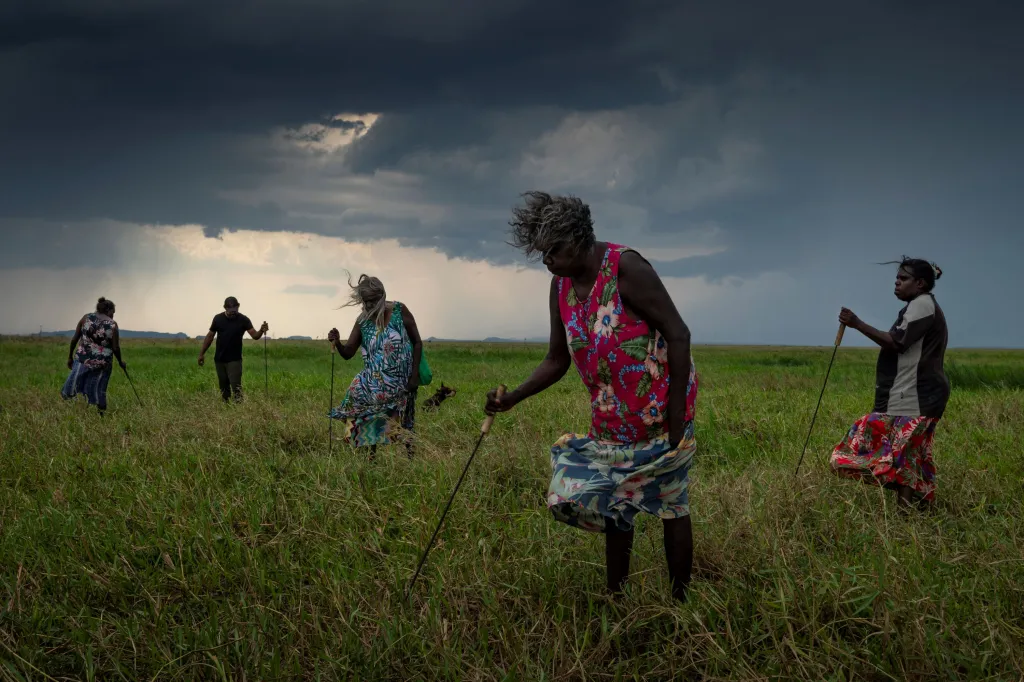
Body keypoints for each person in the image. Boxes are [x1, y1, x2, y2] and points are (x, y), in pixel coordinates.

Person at [484, 191, 699, 603]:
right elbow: (556, 358)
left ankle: (680, 602)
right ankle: (616, 596)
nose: (547, 259)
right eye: (541, 252)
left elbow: (679, 333)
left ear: (579, 238)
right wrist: (513, 398)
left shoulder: (627, 268)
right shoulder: (560, 286)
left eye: (554, 249)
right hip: (610, 420)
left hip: (660, 413)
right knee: (615, 506)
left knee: (672, 504)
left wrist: (675, 420)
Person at [832, 257, 948, 507]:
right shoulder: (920, 305)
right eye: (897, 277)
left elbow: (897, 342)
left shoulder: (922, 304)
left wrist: (857, 324)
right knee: (910, 454)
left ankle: (906, 509)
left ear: (920, 283)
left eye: (903, 278)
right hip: (914, 394)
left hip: (919, 395)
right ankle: (912, 509)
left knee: (879, 438)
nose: (897, 282)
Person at [327, 274, 423, 458]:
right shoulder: (362, 321)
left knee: (398, 426)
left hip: (399, 383)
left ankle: (411, 457)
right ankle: (369, 457)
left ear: (383, 297)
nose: (369, 306)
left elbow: (417, 342)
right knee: (356, 401)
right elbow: (348, 353)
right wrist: (337, 342)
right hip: (371, 382)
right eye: (365, 302)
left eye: (373, 301)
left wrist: (414, 376)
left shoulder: (399, 311)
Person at [61, 297, 126, 416]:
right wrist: (121, 361)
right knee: (100, 387)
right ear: (109, 310)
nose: (113, 316)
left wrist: (70, 356)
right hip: (102, 363)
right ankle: (101, 413)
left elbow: (75, 339)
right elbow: (115, 348)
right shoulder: (112, 325)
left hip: (82, 360)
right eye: (113, 313)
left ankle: (70, 397)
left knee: (75, 380)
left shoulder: (85, 318)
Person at [197, 296, 269, 403]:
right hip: (219, 359)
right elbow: (210, 336)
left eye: (235, 310)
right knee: (223, 387)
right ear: (225, 308)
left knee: (236, 387)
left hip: (234, 360)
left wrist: (262, 330)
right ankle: (226, 408)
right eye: (230, 311)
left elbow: (255, 335)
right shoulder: (218, 319)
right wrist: (201, 354)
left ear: (238, 306)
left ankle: (238, 409)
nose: (233, 313)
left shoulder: (244, 320)